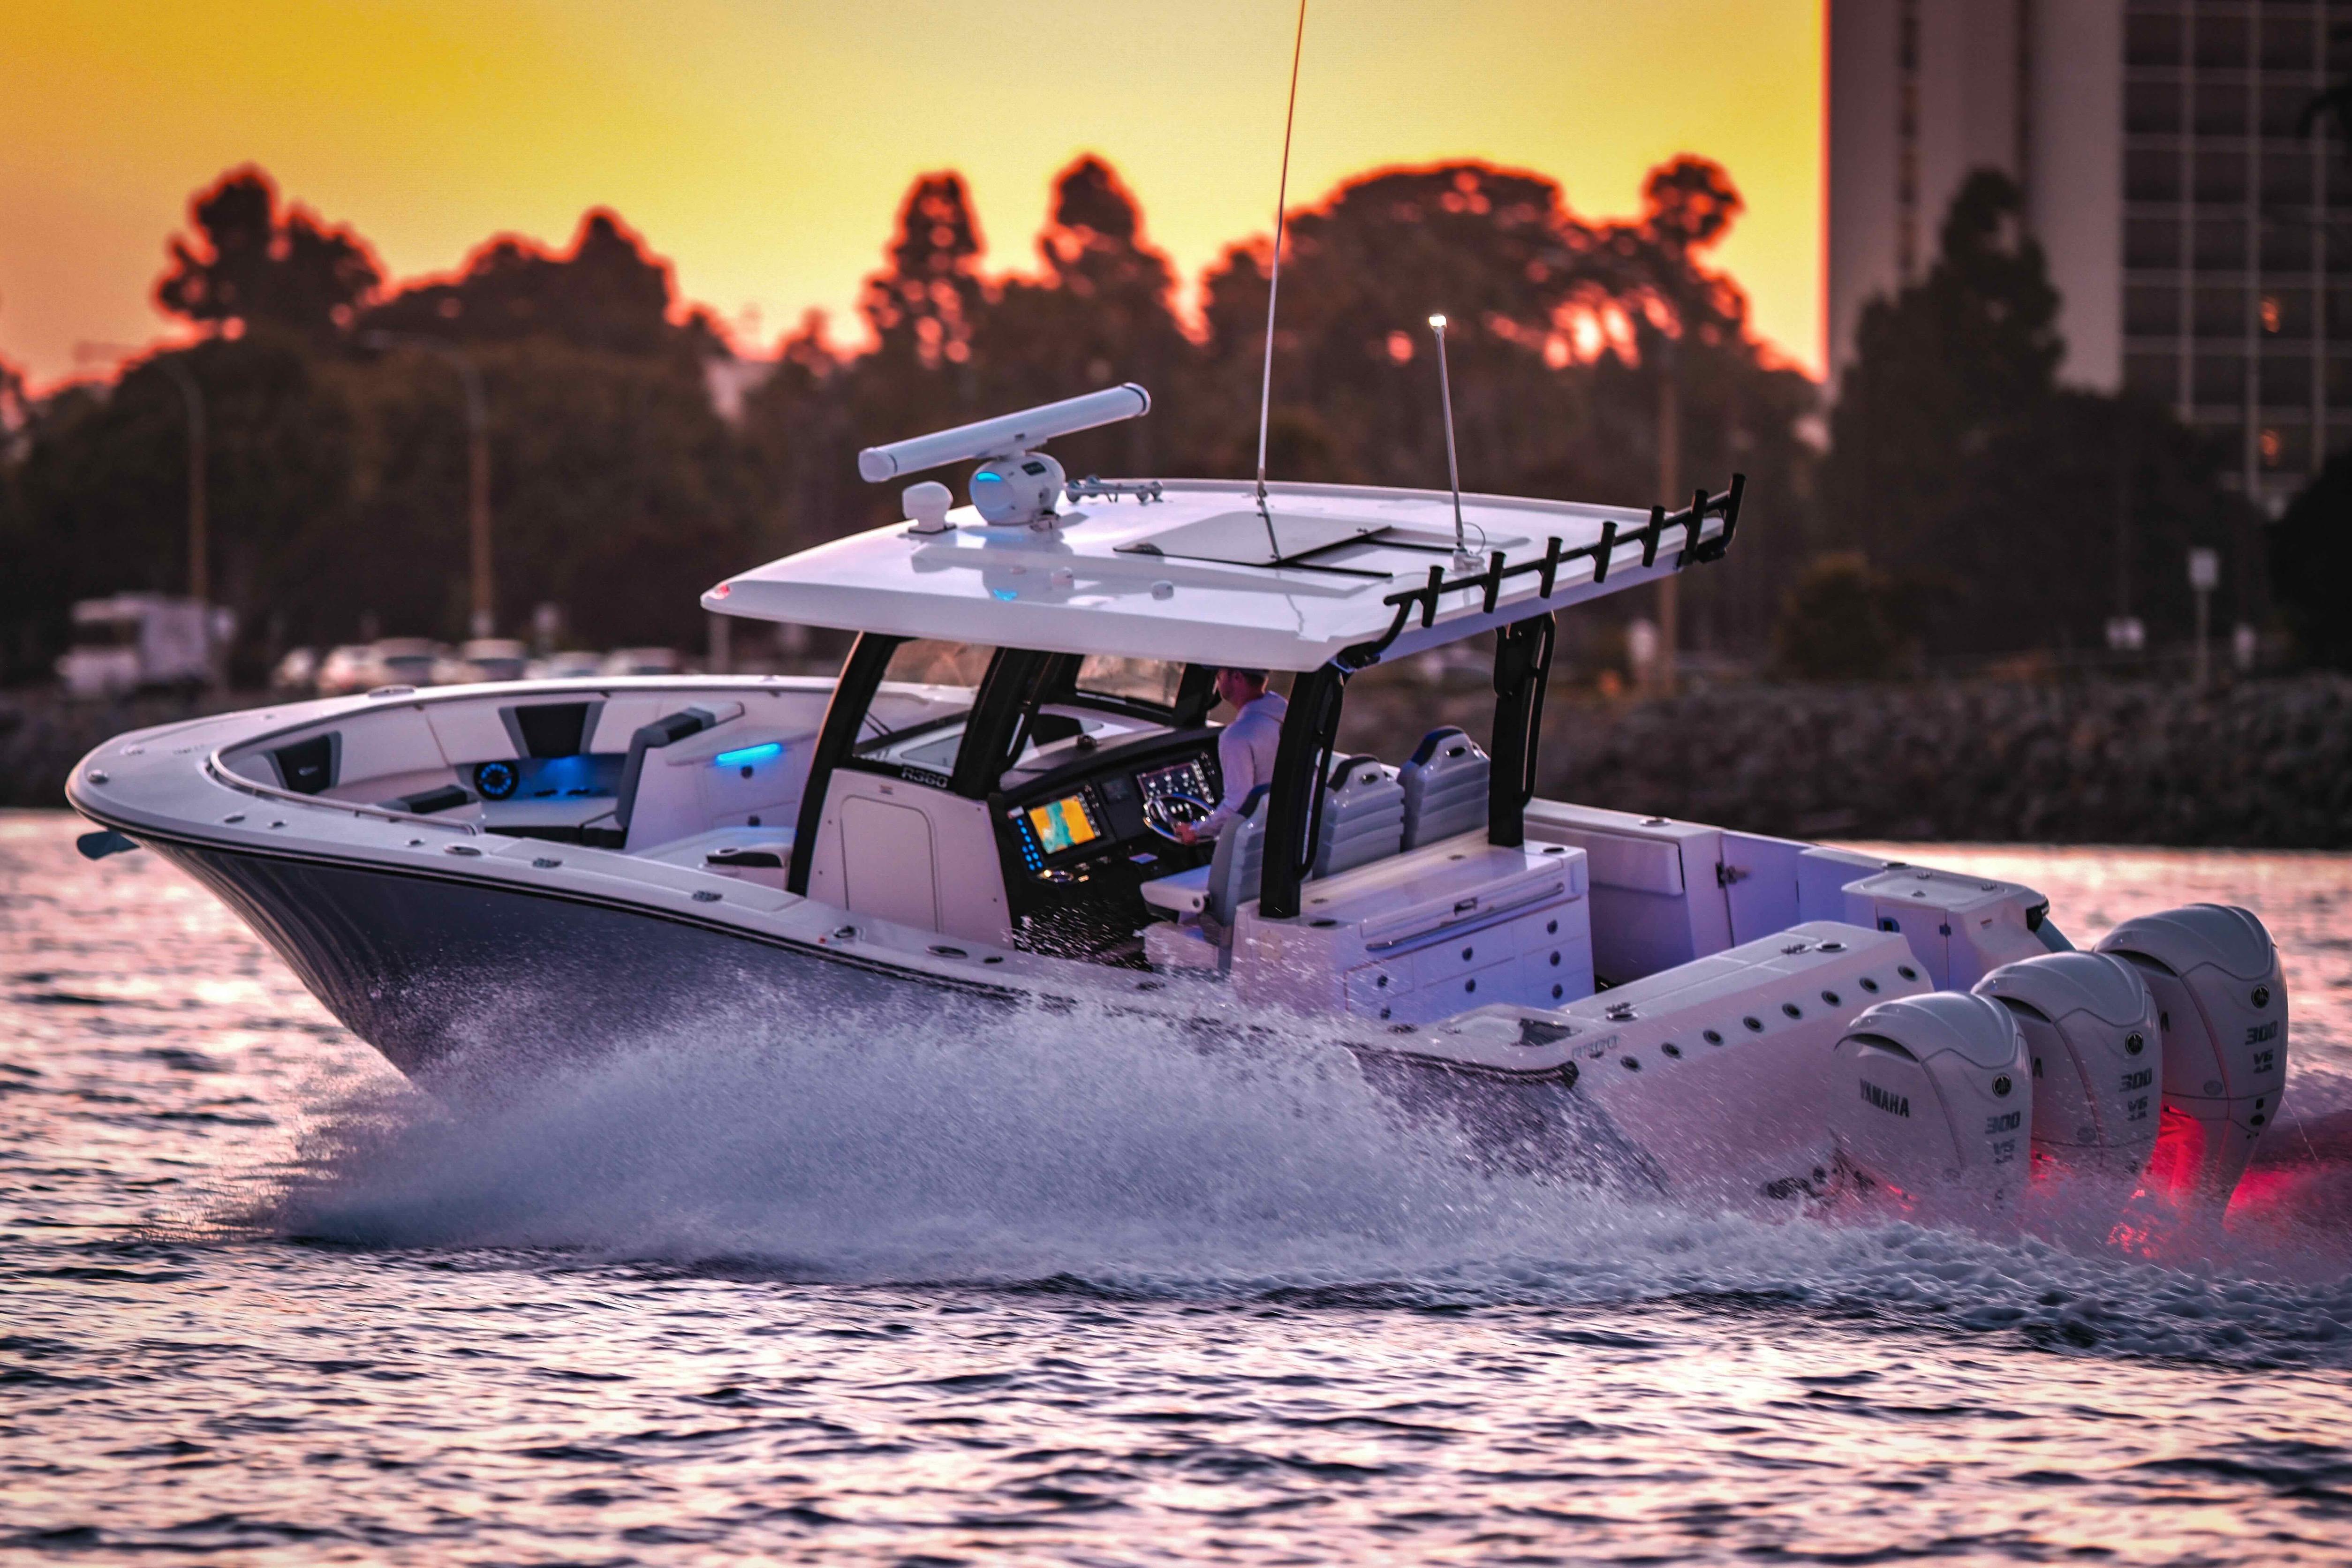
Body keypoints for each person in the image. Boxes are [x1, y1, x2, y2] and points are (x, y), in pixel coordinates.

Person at [1174, 667, 1286, 845]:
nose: (1217, 682)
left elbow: (1238, 804)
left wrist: (1196, 831)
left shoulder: (1237, 736)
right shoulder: (1285, 714)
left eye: (1219, 675)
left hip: (1265, 838)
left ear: (1237, 677)